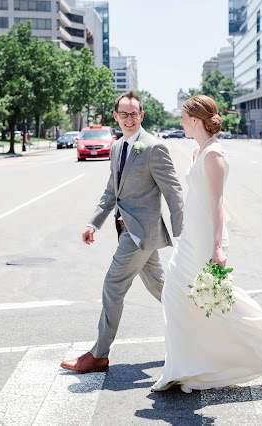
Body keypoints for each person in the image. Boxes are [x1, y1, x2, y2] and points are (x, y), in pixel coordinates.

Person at [152, 95, 262, 393]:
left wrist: (217, 247)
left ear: (195, 120)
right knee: (177, 298)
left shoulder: (213, 155)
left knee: (220, 305)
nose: (180, 122)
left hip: (207, 240)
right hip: (191, 237)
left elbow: (218, 203)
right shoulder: (197, 152)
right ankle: (180, 368)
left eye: (183, 117)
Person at [60, 91, 184, 373]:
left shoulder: (153, 147)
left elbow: (173, 191)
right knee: (162, 289)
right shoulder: (117, 147)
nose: (129, 119)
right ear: (115, 117)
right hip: (127, 229)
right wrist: (94, 222)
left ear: (142, 116)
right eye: (123, 114)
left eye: (134, 114)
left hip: (141, 234)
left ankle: (99, 354)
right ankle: (199, 333)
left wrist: (182, 233)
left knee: (113, 286)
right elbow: (111, 191)